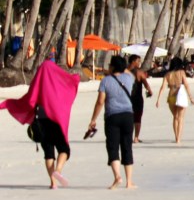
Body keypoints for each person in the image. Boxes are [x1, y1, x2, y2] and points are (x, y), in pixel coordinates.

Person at [1, 59, 80, 190]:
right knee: (64, 149)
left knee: (49, 153)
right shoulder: (57, 84)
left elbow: (29, 100)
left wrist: (8, 104)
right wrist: (75, 78)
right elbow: (70, 85)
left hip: (41, 122)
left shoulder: (37, 83)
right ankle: (58, 171)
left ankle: (53, 183)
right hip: (56, 122)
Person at [87, 55, 137, 189]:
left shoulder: (105, 81)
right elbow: (128, 72)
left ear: (112, 66)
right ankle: (129, 182)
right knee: (127, 146)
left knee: (113, 147)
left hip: (112, 117)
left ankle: (117, 177)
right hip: (128, 115)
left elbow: (100, 102)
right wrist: (122, 67)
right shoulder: (129, 78)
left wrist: (93, 119)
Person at [156, 57, 194, 144]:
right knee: (180, 118)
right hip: (180, 95)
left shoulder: (168, 74)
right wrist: (191, 97)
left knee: (175, 117)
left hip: (171, 96)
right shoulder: (181, 72)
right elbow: (186, 85)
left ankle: (176, 137)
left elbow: (162, 87)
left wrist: (158, 99)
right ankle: (178, 138)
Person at [129, 55, 153, 143]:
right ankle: (136, 137)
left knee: (129, 118)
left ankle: (129, 137)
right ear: (133, 61)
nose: (139, 63)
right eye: (138, 61)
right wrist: (149, 91)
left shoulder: (125, 72)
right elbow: (145, 83)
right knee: (137, 118)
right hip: (137, 98)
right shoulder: (139, 72)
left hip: (127, 98)